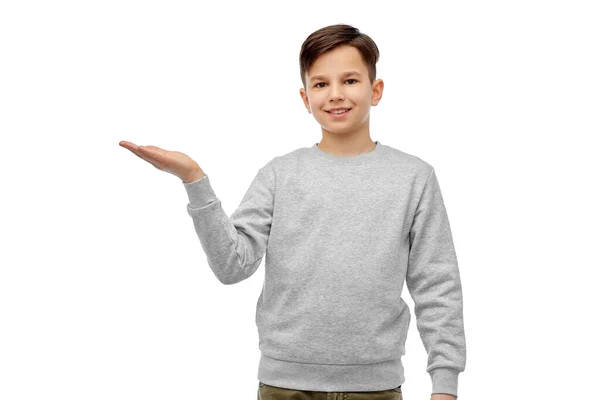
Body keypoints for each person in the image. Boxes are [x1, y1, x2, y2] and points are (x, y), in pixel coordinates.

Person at [119, 24, 466, 400]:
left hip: (376, 388)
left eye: (350, 80)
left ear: (375, 90)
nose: (335, 95)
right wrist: (193, 179)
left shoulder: (414, 177)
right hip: (283, 387)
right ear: (304, 97)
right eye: (320, 84)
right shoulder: (279, 175)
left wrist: (444, 384)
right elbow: (232, 266)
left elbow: (437, 283)